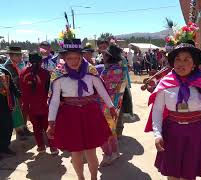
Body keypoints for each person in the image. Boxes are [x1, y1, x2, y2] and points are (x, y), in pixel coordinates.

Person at [145, 22, 201, 180]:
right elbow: (157, 111)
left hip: (195, 133)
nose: (181, 63)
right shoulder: (165, 83)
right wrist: (157, 134)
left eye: (187, 59)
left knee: (188, 175)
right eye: (178, 59)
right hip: (172, 133)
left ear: (194, 64)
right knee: (172, 175)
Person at [46, 38, 116, 180]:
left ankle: (94, 178)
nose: (73, 61)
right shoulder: (59, 73)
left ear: (81, 56)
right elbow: (54, 100)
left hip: (90, 114)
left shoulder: (90, 70)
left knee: (91, 152)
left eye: (76, 57)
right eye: (69, 58)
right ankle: (80, 178)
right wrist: (51, 122)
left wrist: (111, 106)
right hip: (70, 116)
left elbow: (101, 89)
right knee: (76, 152)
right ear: (64, 57)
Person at [19, 52, 58, 155]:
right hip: (44, 105)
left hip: (30, 106)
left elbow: (22, 91)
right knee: (48, 126)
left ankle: (41, 147)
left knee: (36, 128)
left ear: (29, 62)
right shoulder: (45, 73)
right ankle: (53, 147)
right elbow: (49, 90)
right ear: (41, 62)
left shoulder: (23, 73)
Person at [99, 44, 128, 165]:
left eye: (105, 54)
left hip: (106, 104)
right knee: (111, 129)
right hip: (114, 103)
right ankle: (114, 152)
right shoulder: (119, 68)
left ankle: (108, 154)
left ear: (110, 57)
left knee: (103, 130)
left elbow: (104, 88)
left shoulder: (112, 71)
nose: (102, 56)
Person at [4, 46, 32, 140]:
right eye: (18, 55)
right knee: (16, 112)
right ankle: (19, 132)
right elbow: (12, 81)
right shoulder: (7, 67)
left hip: (22, 91)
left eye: (20, 55)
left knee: (23, 110)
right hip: (14, 93)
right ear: (11, 56)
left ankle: (24, 128)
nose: (20, 57)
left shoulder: (21, 64)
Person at [0, 64, 20, 157]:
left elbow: (12, 86)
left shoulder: (4, 70)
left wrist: (20, 95)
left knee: (8, 127)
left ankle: (4, 147)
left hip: (5, 105)